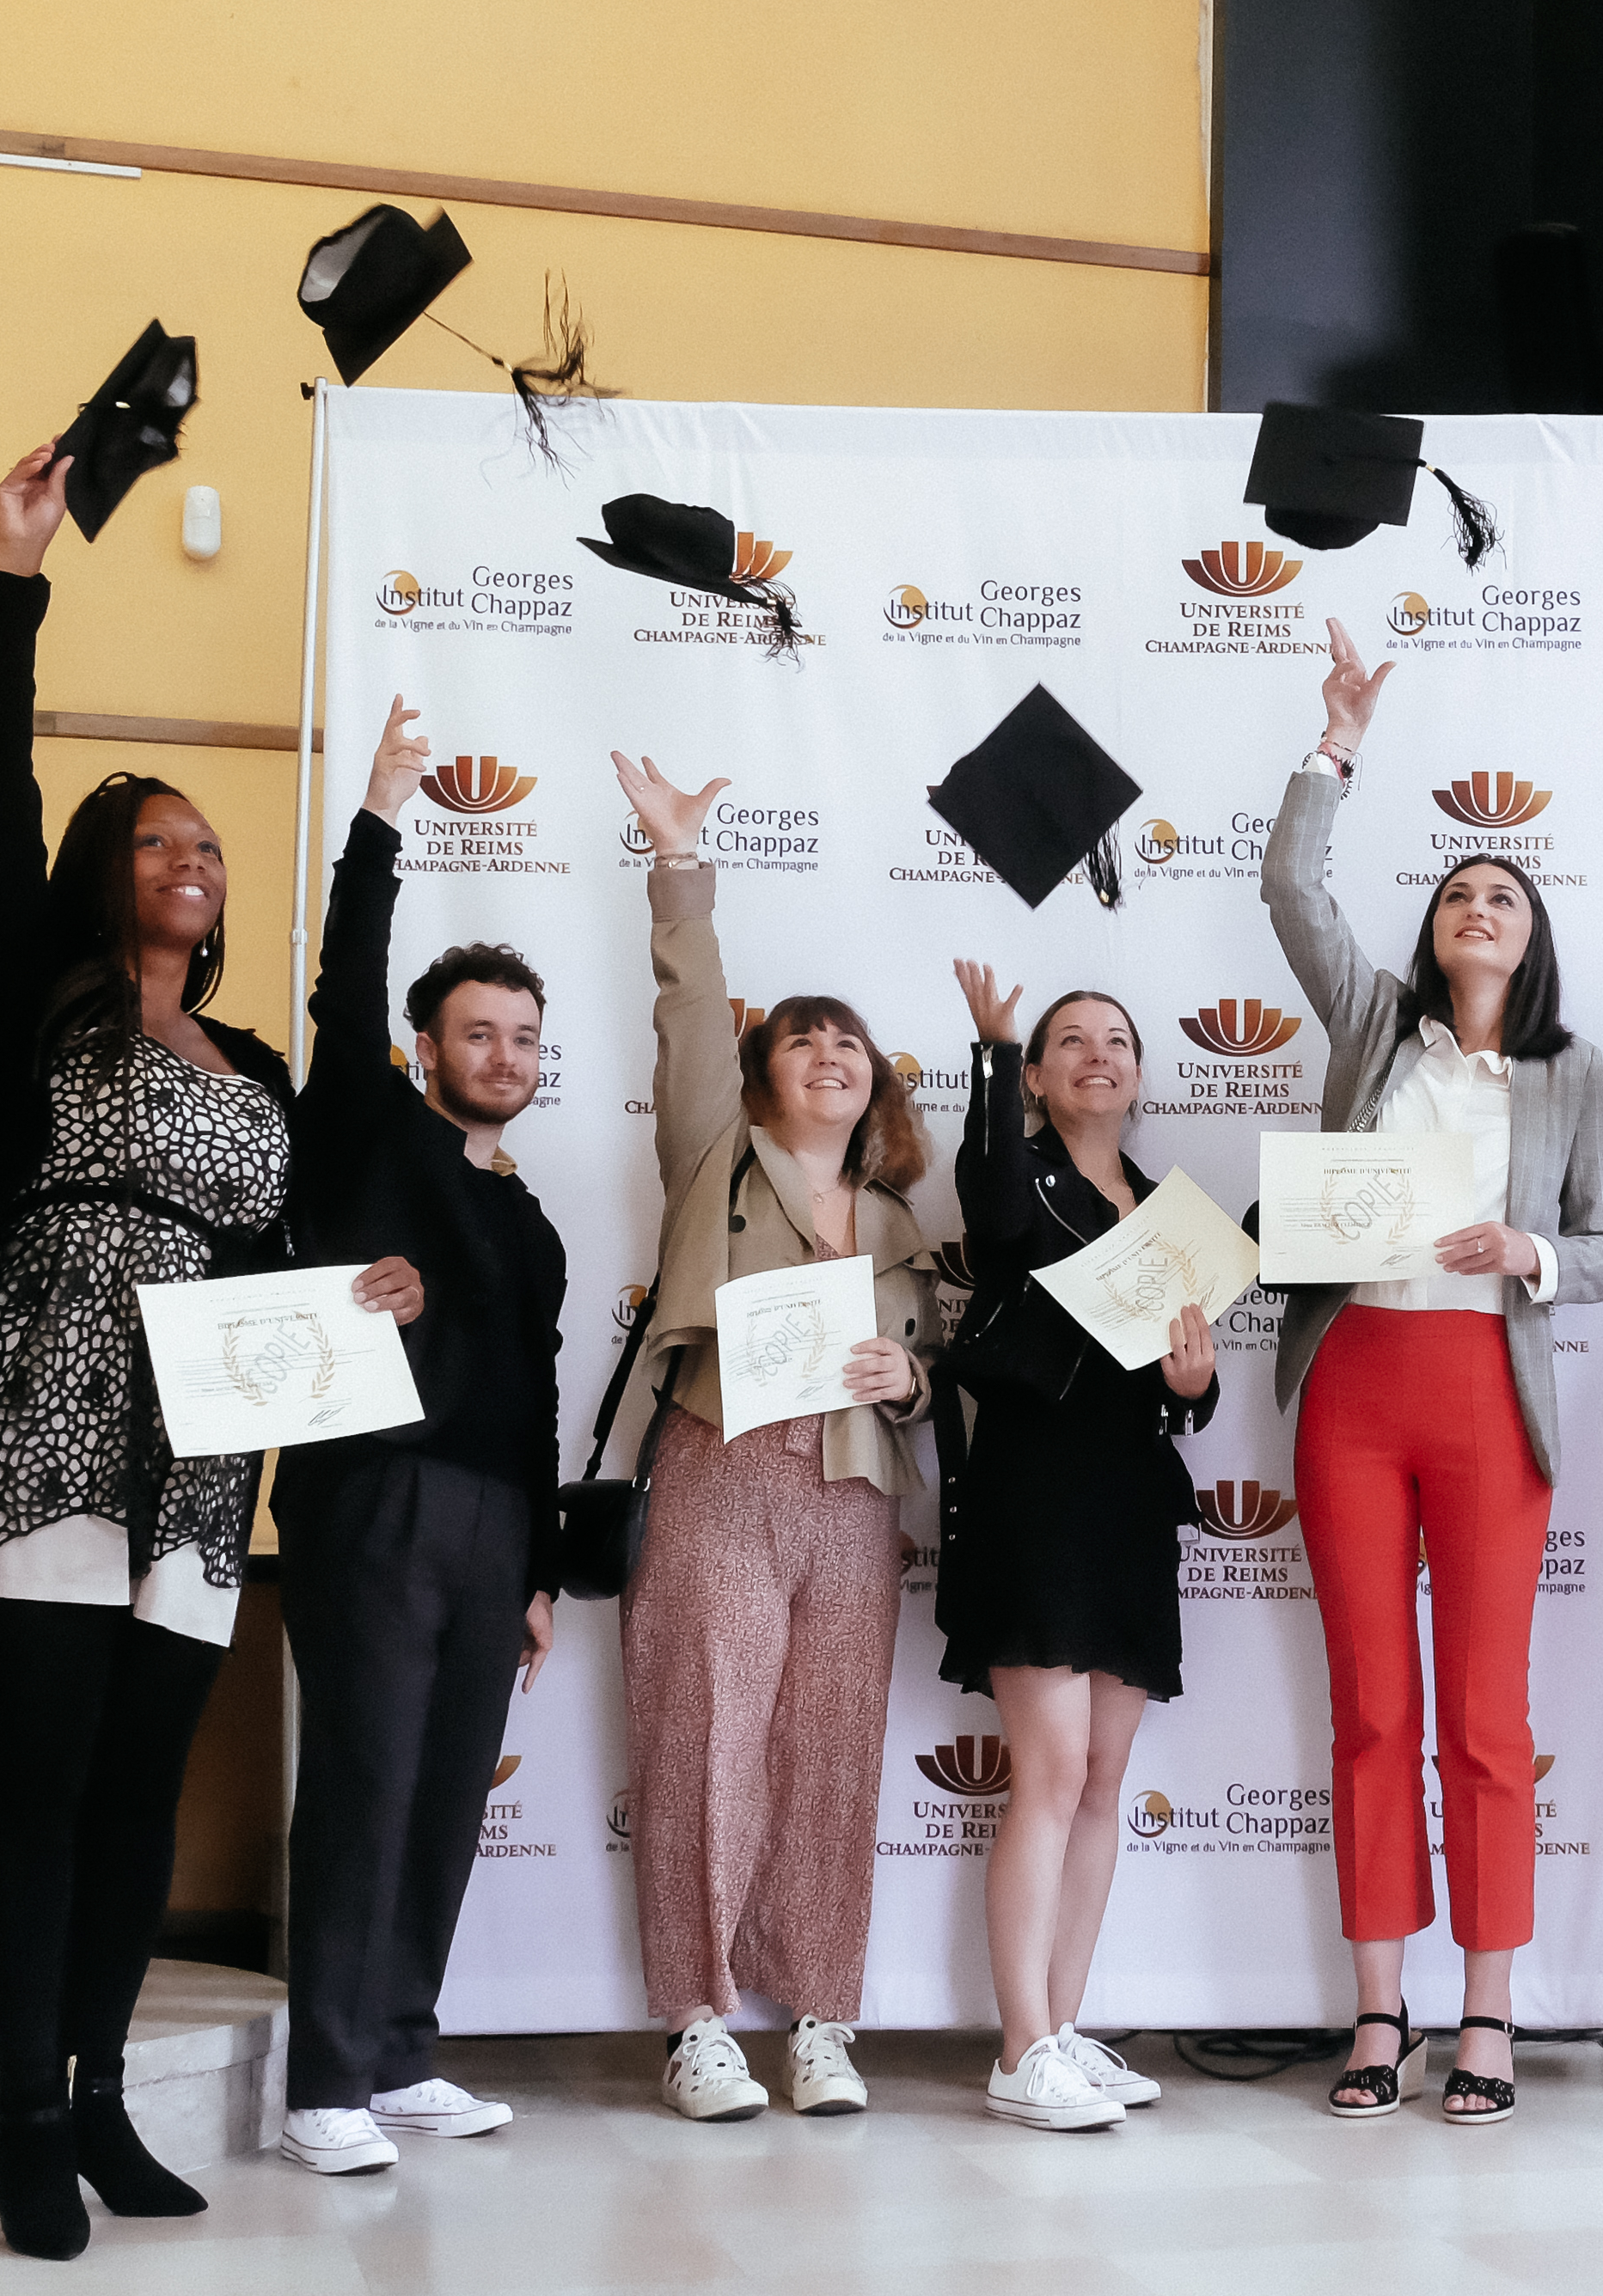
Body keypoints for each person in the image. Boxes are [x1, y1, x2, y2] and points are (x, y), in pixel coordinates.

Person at [0, 443, 421, 2261]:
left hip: (198, 1453)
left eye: (210, 845)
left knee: (138, 1788)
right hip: (30, 1411)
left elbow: (333, 1132)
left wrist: (360, 1292)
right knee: (30, 1779)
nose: (191, 859)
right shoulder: (39, 1007)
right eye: (159, 837)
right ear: (102, 872)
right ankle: (25, 2117)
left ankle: (104, 2087)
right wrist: (10, 582)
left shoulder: (255, 1071)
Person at [1261, 621, 1603, 2125]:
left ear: (1532, 940)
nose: (1481, 904)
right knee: (1369, 1705)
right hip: (1354, 1376)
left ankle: (1487, 2013)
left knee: (1484, 1712)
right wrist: (1334, 746)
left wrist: (1530, 1257)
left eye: (1506, 893)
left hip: (1491, 1389)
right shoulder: (1373, 1027)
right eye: (1459, 891)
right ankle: (1376, 2012)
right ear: (1430, 934)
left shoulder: (1572, 1073)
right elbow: (1294, 889)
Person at [612, 745, 935, 2123]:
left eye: (849, 1042)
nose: (827, 1053)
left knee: (830, 1745)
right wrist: (679, 869)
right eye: (803, 1040)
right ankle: (696, 2023)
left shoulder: (916, 1228)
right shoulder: (714, 1157)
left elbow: (938, 1374)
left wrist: (908, 1380)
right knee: (700, 1736)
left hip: (855, 1496)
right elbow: (690, 1016)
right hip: (721, 1468)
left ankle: (821, 2019)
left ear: (878, 1087)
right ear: (763, 1077)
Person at [268, 696, 569, 2176]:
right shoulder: (374, 1133)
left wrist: (542, 1573)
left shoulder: (537, 1222)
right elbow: (344, 988)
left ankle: (397, 2050)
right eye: (477, 1033)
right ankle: (320, 2075)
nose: (503, 1054)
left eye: (522, 1038)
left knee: (447, 1795)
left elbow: (541, 1399)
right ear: (427, 1047)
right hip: (370, 1500)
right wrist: (381, 816)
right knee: (365, 1782)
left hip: (493, 1530)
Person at [937, 963, 1221, 2132]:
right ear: (1045, 1076)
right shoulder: (1021, 1171)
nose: (1097, 1053)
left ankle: (1060, 2026)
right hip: (1033, 1492)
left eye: (1117, 1040)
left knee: (1102, 1781)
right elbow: (993, 1208)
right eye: (1070, 1042)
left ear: (1141, 1075)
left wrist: (1197, 1385)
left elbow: (1183, 1383)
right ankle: (1019, 2051)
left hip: (1125, 1502)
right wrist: (993, 1054)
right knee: (1048, 1776)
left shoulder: (1168, 1211)